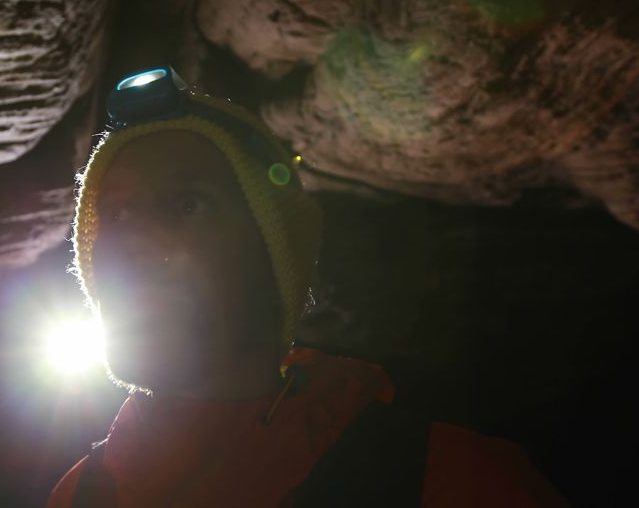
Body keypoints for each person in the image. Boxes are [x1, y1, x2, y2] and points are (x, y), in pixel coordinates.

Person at [47, 68, 570, 507]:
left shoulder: (451, 481)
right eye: (113, 214)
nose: (131, 241)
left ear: (273, 257)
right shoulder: (76, 496)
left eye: (188, 205)